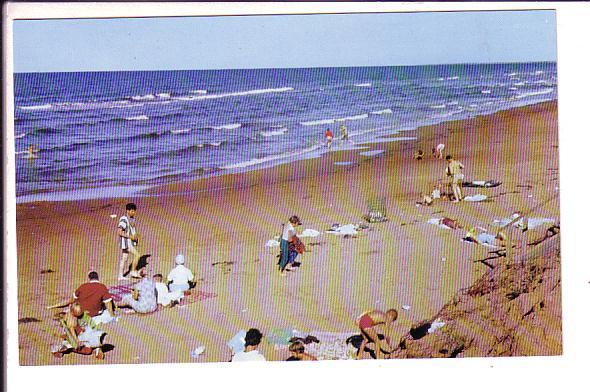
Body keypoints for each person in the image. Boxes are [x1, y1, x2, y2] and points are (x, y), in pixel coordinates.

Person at [47, 271, 116, 325]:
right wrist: (112, 315)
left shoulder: (83, 286)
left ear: (89, 278)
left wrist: (53, 306)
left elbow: (71, 300)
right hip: (94, 314)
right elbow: (108, 303)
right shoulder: (102, 287)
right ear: (97, 278)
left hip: (80, 312)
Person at [118, 202, 140, 280]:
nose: (134, 212)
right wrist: (131, 237)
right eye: (132, 211)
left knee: (124, 258)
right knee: (137, 255)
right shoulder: (123, 219)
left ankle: (120, 276)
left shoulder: (131, 219)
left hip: (128, 242)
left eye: (134, 211)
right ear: (128, 211)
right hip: (126, 242)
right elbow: (120, 231)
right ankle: (133, 271)